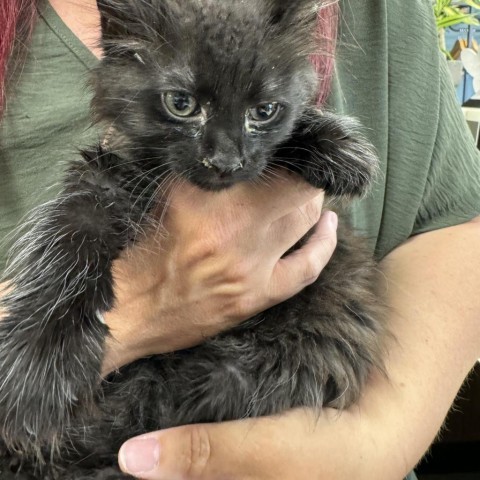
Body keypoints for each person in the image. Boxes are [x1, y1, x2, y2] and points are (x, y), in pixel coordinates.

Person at [0, 1, 479, 480]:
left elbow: (456, 222)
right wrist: (137, 308)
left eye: (262, 112)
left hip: (286, 394)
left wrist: (376, 442)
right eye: (182, 105)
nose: (225, 159)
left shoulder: (380, 14)